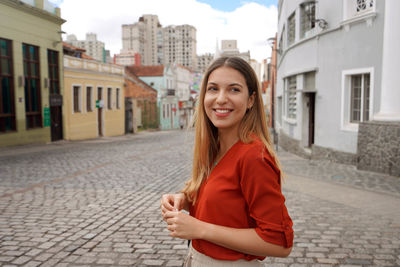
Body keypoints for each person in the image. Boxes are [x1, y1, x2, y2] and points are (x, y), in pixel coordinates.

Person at [160, 56, 293, 266]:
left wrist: (199, 229)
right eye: (213, 89)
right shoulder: (214, 148)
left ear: (251, 100)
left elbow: (279, 244)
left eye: (234, 89)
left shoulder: (253, 156)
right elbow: (224, 201)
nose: (221, 98)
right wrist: (184, 199)